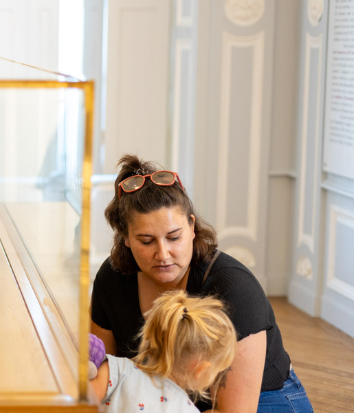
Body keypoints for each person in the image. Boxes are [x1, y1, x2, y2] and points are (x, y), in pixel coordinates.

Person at [91, 154, 313, 412]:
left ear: (192, 226)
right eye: (146, 241)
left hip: (264, 399)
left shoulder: (234, 287)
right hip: (166, 400)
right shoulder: (112, 278)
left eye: (174, 237)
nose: (162, 254)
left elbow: (234, 411)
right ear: (126, 238)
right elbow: (106, 376)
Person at [91, 291, 236, 412]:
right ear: (201, 369)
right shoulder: (187, 410)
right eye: (217, 372)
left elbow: (81, 402)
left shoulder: (118, 370)